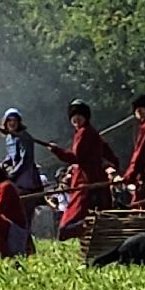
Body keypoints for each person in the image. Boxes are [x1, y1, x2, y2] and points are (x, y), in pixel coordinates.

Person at [48, 99, 120, 240]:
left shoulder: (84, 133)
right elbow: (107, 152)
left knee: (68, 225)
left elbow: (76, 157)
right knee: (99, 213)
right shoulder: (92, 133)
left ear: (85, 117)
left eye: (79, 115)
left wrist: (57, 151)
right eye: (73, 115)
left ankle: (89, 228)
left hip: (86, 183)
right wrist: (115, 164)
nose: (76, 118)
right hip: (96, 181)